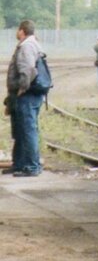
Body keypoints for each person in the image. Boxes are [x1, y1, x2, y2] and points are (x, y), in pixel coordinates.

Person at [5, 20, 45, 177]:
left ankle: (32, 166)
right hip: (30, 95)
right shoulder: (34, 44)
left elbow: (28, 69)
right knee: (22, 130)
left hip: (26, 96)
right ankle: (20, 164)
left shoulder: (27, 46)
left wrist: (22, 89)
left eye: (18, 29)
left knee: (28, 130)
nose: (17, 32)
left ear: (22, 31)